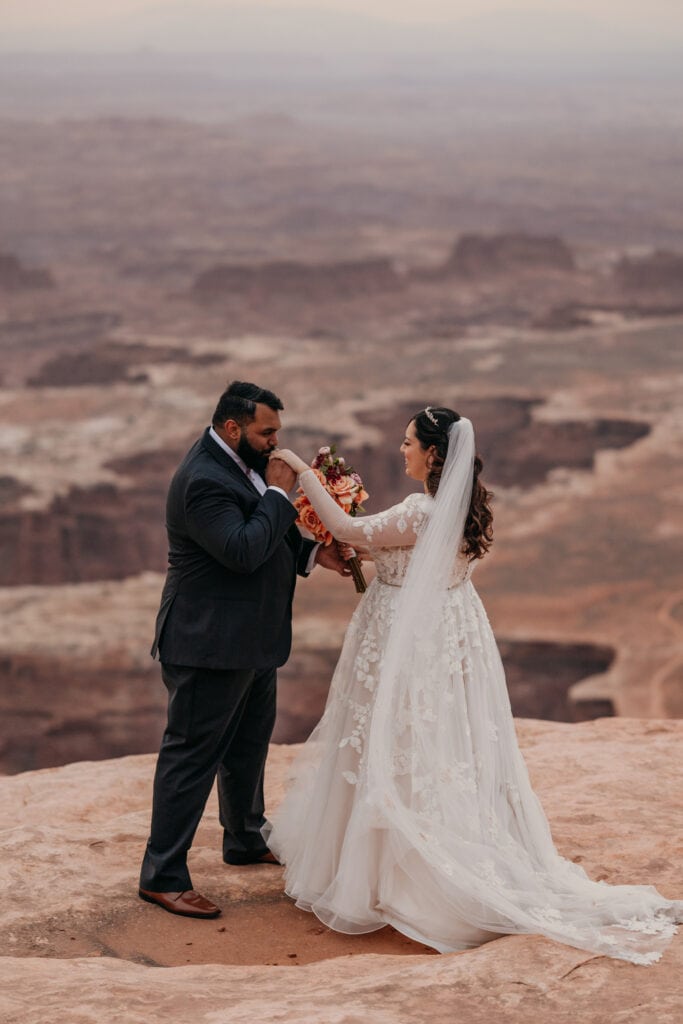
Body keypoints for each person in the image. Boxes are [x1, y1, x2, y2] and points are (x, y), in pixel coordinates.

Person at [266, 406, 682, 964]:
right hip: (445, 635)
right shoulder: (459, 508)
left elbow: (347, 530)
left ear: (434, 453)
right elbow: (392, 550)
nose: (401, 449)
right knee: (428, 741)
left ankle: (393, 875)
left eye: (409, 442)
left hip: (404, 640)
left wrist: (301, 472)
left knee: (395, 740)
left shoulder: (420, 509)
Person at [139, 381, 351, 919]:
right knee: (191, 756)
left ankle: (244, 837)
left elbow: (266, 533)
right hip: (208, 643)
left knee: (247, 746)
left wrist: (310, 555)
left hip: (251, 641)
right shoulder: (203, 480)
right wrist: (281, 493)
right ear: (233, 427)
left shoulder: (239, 459)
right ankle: (162, 876)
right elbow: (241, 549)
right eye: (268, 431)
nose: (277, 442)